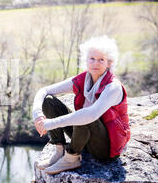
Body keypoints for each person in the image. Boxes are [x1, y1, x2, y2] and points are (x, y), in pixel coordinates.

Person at [32, 35, 130, 175]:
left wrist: (49, 124)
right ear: (86, 60)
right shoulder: (83, 79)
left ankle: (72, 157)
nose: (95, 63)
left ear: (109, 63)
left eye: (101, 59)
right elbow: (44, 90)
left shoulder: (113, 87)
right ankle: (60, 150)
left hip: (106, 148)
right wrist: (38, 116)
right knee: (48, 101)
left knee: (85, 115)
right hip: (85, 135)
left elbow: (90, 115)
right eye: (92, 59)